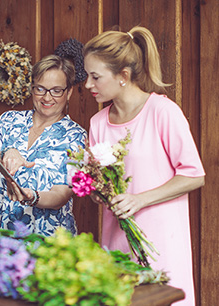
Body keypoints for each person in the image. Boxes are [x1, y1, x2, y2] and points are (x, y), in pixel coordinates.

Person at [83, 26, 205, 305]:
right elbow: (96, 184)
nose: (88, 84)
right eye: (88, 76)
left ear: (123, 76)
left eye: (95, 76)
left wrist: (140, 199)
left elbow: (194, 175)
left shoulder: (163, 112)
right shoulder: (98, 122)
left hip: (162, 241)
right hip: (117, 243)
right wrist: (93, 189)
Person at [0, 40, 87, 237]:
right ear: (32, 88)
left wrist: (32, 197)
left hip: (50, 243)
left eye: (56, 90)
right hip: (1, 238)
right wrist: (3, 154)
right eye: (40, 89)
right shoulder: (8, 121)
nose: (47, 97)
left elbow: (61, 195)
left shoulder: (76, 136)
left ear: (68, 92)